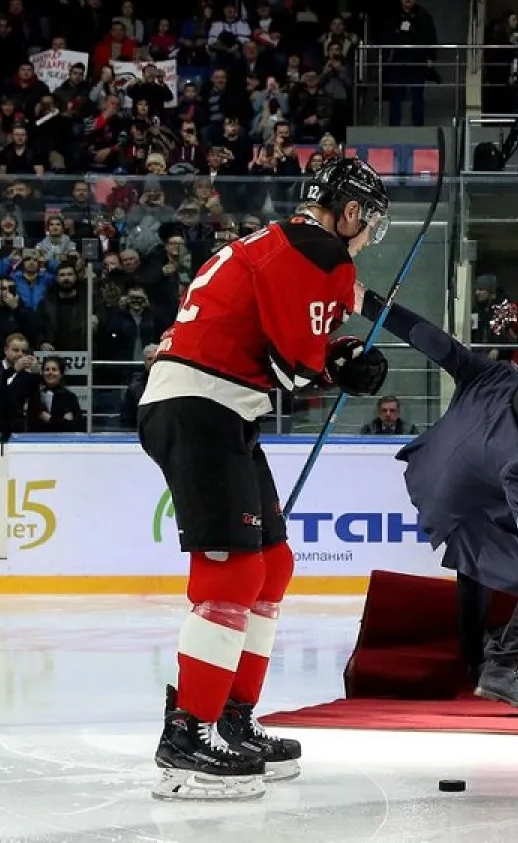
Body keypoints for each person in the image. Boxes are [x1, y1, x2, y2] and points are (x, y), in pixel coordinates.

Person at [136, 157, 394, 801]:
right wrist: (343, 368)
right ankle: (187, 737)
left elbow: (286, 344)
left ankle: (231, 717)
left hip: (217, 407)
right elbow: (293, 372)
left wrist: (339, 357)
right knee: (231, 572)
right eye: (369, 224)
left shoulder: (287, 244)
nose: (367, 238)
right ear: (351, 211)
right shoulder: (317, 254)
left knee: (270, 563)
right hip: (200, 407)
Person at [353, 285, 518, 716]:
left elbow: (433, 340)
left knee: (475, 575)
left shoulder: (496, 377)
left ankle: (475, 665)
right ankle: (500, 668)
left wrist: (369, 305)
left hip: (446, 478)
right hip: (466, 508)